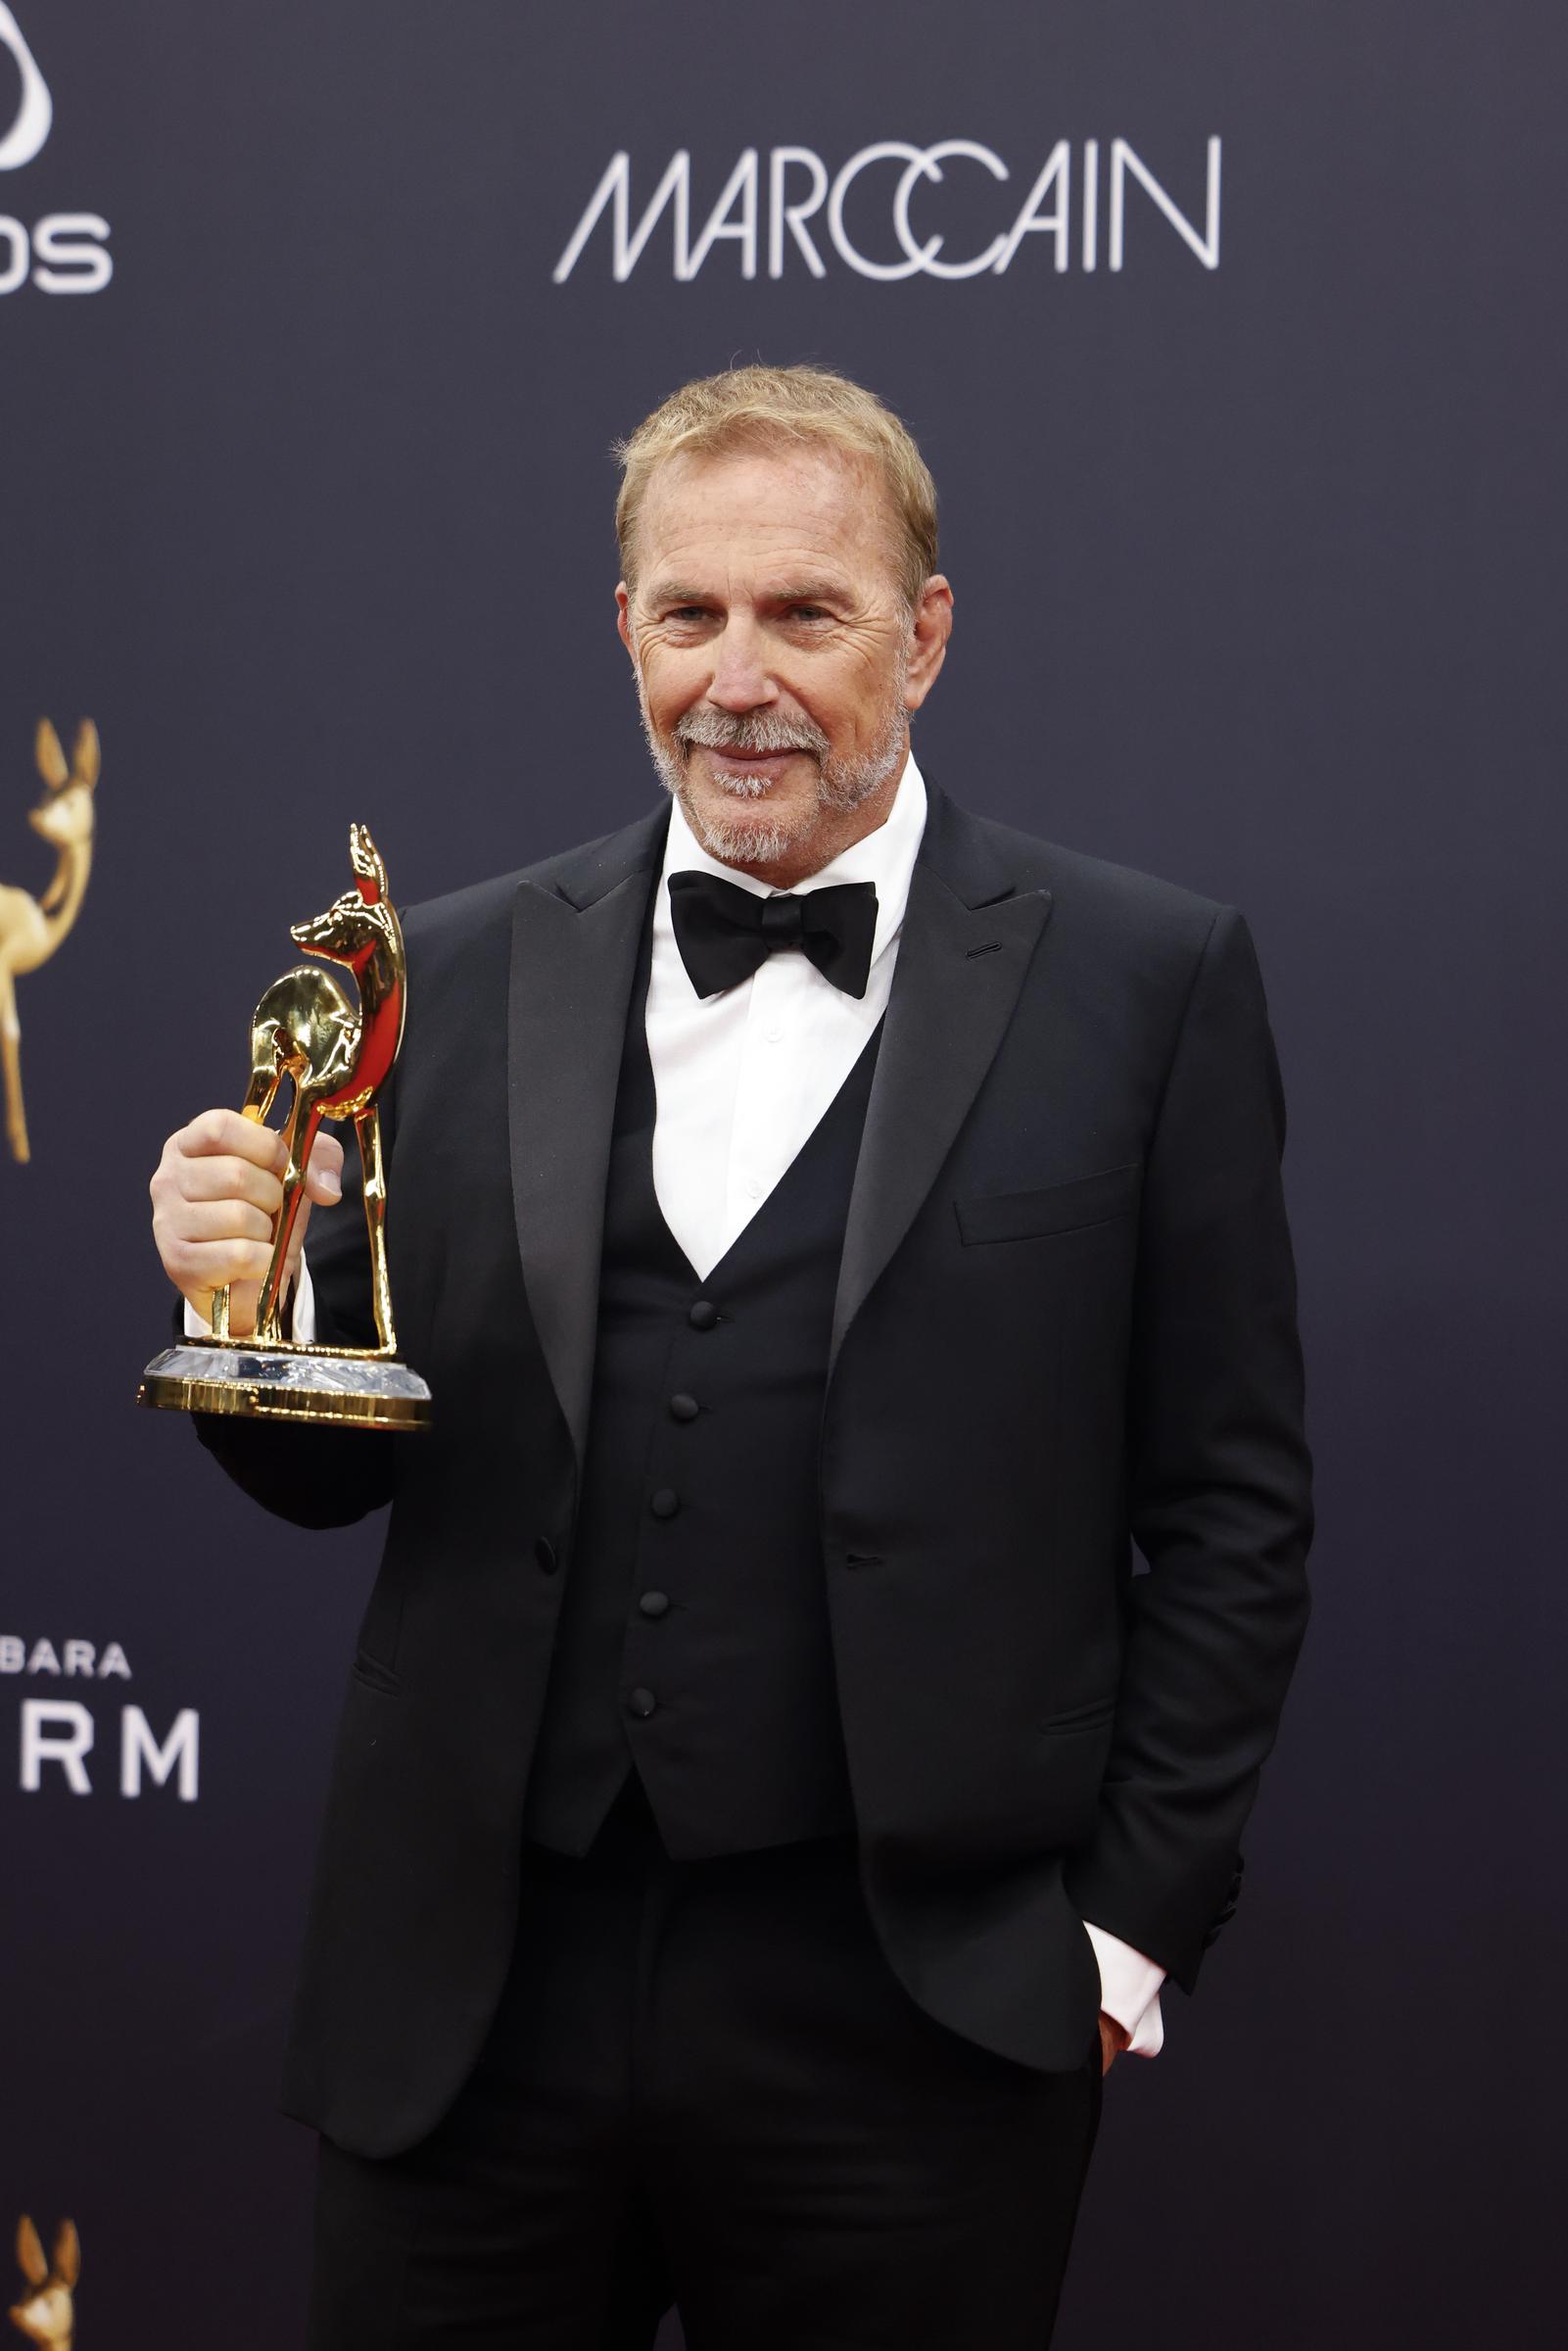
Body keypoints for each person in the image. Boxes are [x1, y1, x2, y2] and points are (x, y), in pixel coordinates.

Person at [148, 364, 1313, 2349]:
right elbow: (349, 1459)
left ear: (925, 636)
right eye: (689, 615)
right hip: (474, 1999)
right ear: (627, 633)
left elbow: (1230, 1505)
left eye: (808, 612)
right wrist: (233, 1305)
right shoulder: (456, 964)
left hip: (914, 2012)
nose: (738, 676)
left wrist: (1117, 1939)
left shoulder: (1147, 978)